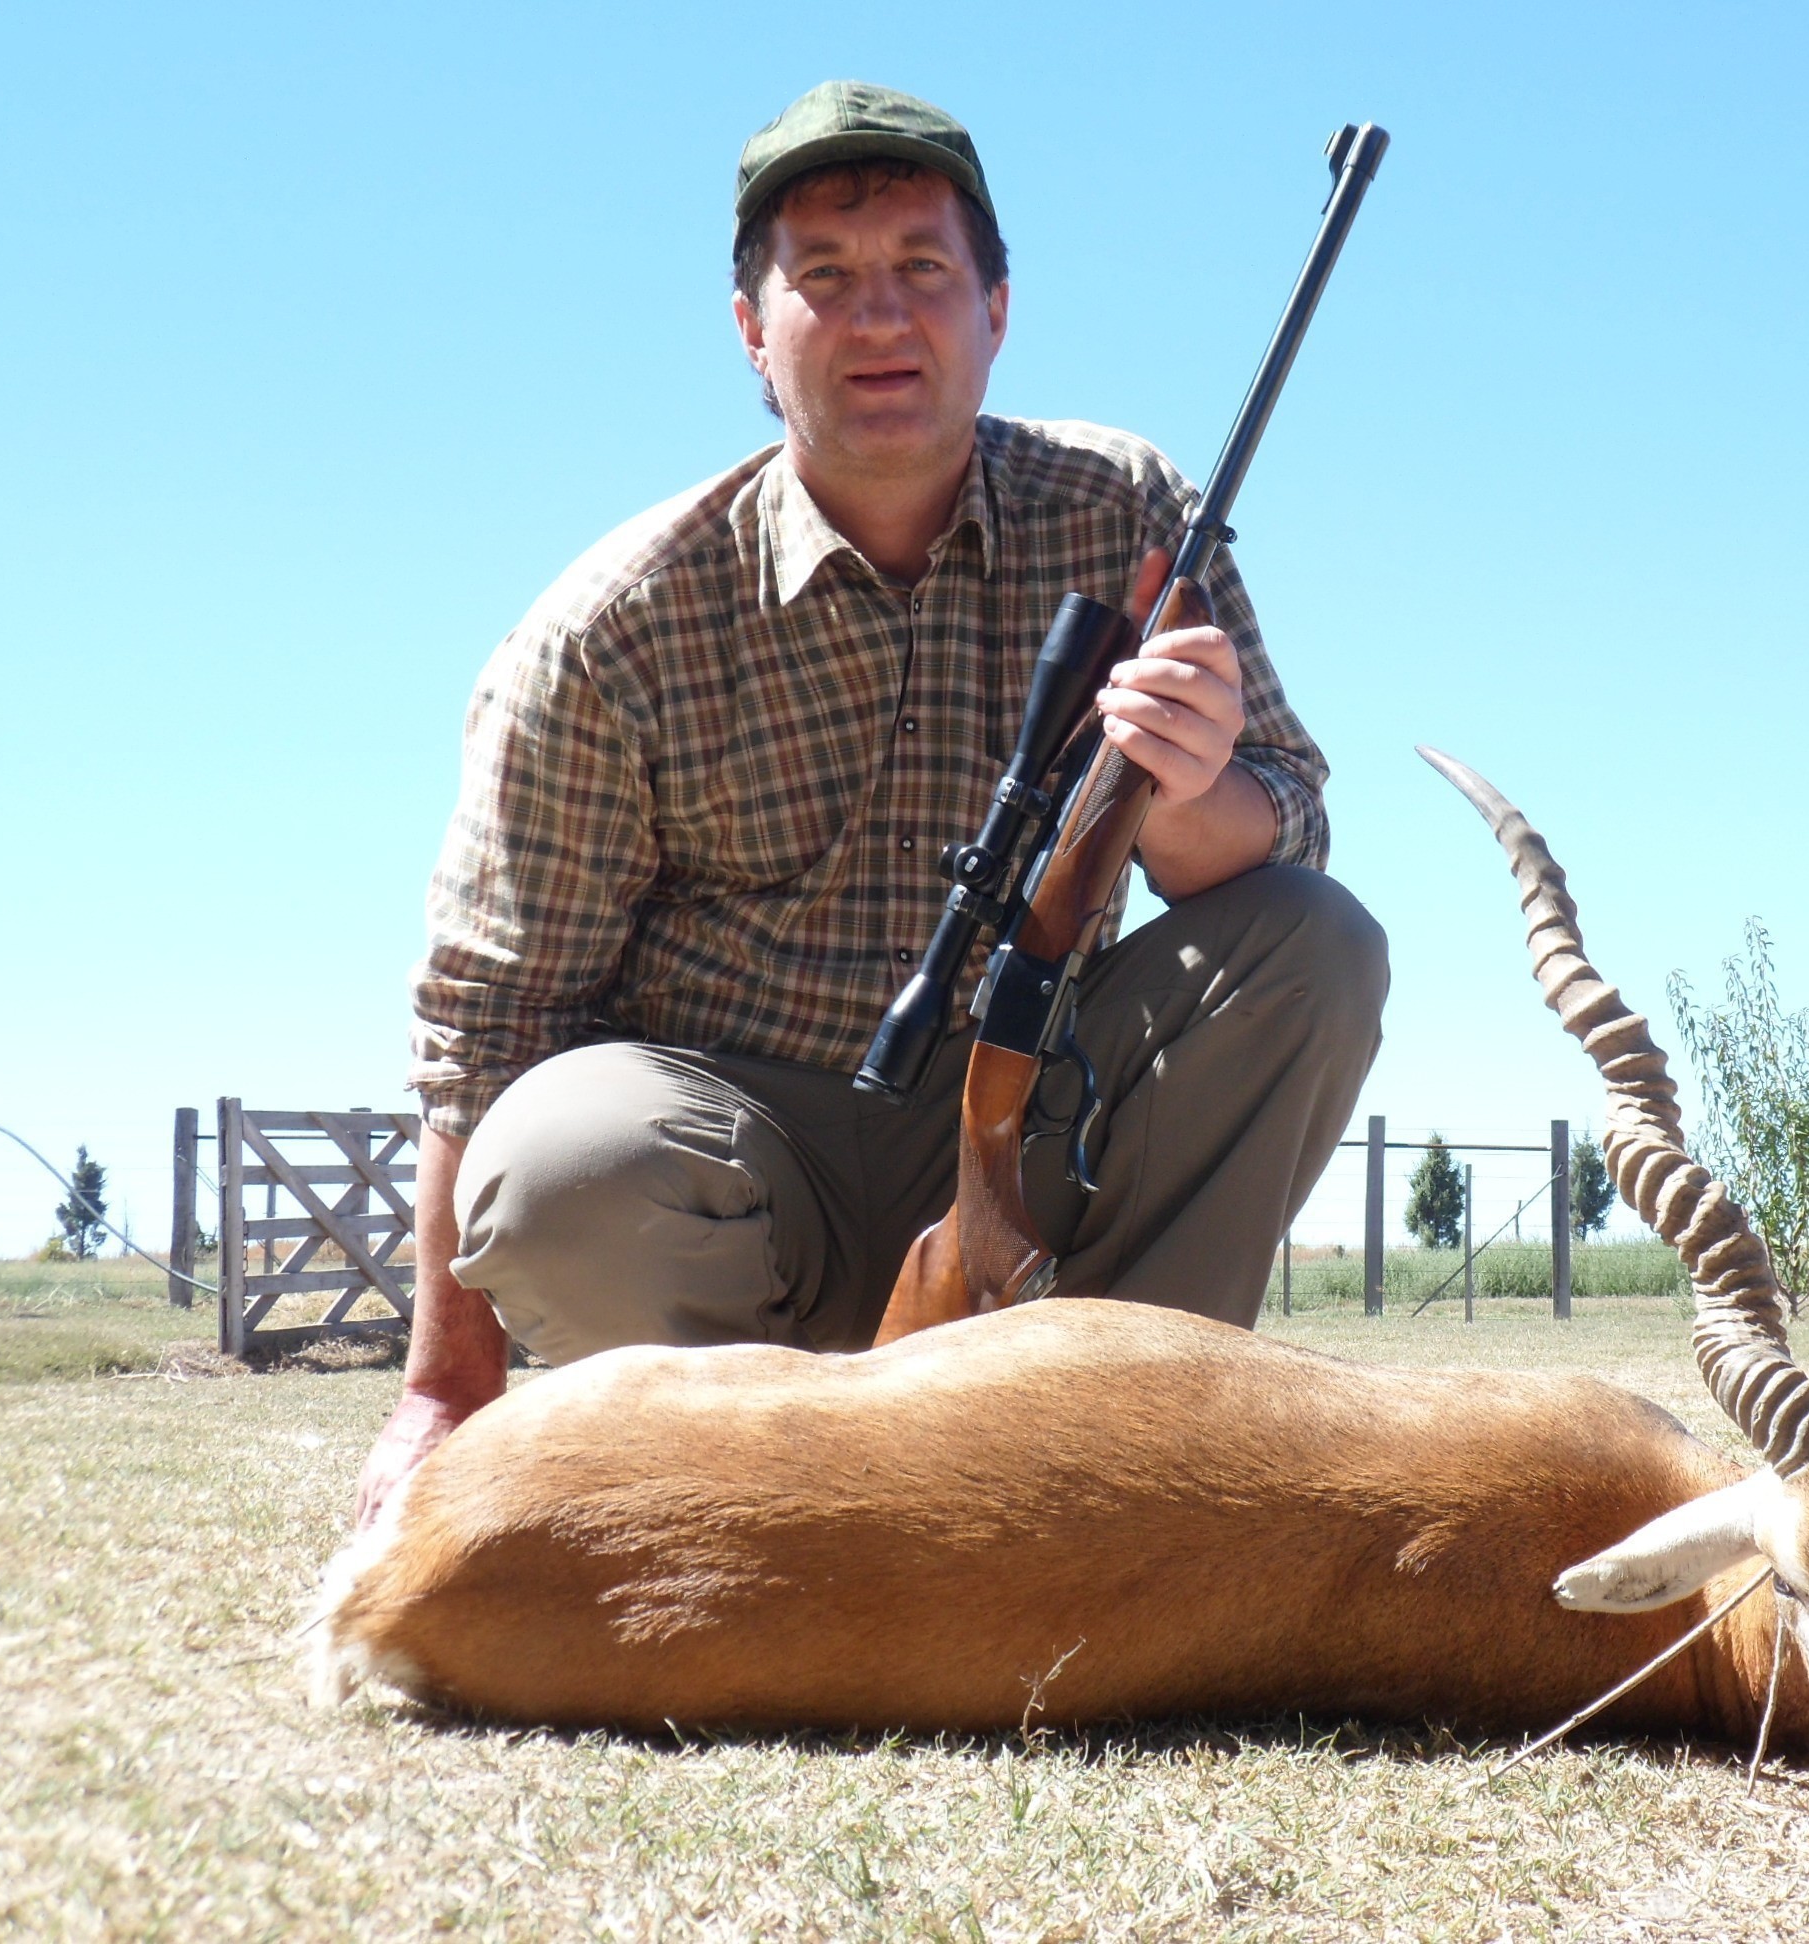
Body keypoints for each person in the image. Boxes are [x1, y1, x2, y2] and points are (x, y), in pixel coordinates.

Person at [356, 82, 1386, 1524]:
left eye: (923, 271)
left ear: (998, 310)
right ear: (751, 333)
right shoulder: (612, 628)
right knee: (554, 1162)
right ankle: (766, 1493)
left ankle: (1134, 1469)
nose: (880, 318)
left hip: (1036, 1110)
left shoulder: (1131, 511)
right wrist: (442, 1397)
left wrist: (1188, 796)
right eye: (824, 280)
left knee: (1316, 941)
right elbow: (483, 1030)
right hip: (730, 1172)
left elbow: (1296, 823)